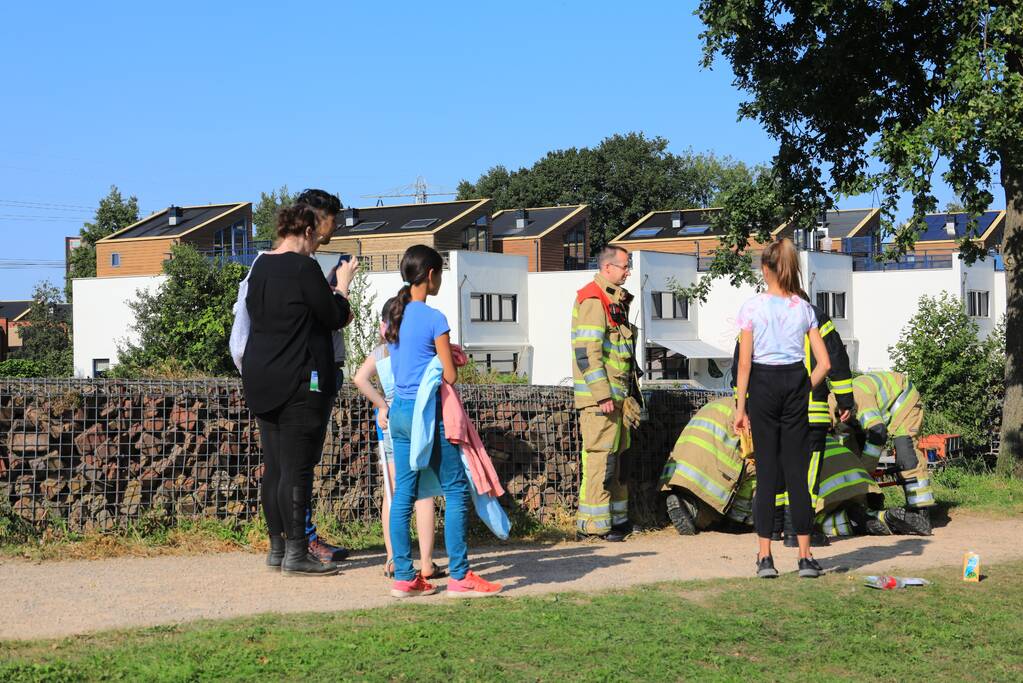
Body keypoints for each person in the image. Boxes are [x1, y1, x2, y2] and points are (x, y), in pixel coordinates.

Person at [242, 191, 357, 576]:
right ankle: (296, 553)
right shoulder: (303, 268)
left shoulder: (259, 267)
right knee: (297, 470)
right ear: (307, 230)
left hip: (261, 377)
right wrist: (342, 285)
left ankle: (278, 549)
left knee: (274, 468)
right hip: (299, 381)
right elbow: (335, 315)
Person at [384, 244, 501, 598]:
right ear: (430, 275)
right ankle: (460, 576)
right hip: (429, 412)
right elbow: (448, 376)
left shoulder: (393, 316)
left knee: (403, 492)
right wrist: (449, 356)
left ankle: (404, 577)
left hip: (399, 411)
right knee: (455, 490)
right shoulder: (435, 319)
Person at [660, 397, 930, 538]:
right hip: (845, 474)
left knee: (731, 506)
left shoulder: (723, 410)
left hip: (695, 467)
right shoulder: (807, 407)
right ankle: (875, 518)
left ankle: (693, 509)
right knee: (823, 516)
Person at [733, 237, 831, 579]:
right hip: (794, 383)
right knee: (796, 475)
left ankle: (765, 558)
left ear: (765, 269)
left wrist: (740, 407)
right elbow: (824, 363)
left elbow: (744, 364)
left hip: (761, 383)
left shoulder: (751, 307)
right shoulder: (803, 308)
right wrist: (804, 387)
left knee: (768, 473)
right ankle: (805, 558)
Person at [729, 296, 855, 546]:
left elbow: (739, 367)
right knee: (804, 473)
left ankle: (773, 527)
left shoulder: (757, 314)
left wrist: (743, 406)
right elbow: (835, 361)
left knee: (772, 468)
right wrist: (845, 401)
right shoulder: (814, 316)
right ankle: (795, 531)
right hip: (810, 411)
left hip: (767, 409)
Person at [351, 297, 443, 580]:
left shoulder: (381, 353)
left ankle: (393, 558)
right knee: (424, 493)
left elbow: (359, 378)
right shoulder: (417, 350)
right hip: (419, 421)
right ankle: (426, 562)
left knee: (393, 492)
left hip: (391, 423)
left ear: (383, 327)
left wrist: (381, 405)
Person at [570, 245, 642, 541]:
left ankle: (618, 520)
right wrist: (602, 395)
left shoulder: (613, 299)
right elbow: (587, 354)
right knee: (601, 459)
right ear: (607, 267)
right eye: (625, 266)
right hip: (602, 400)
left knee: (619, 460)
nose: (628, 271)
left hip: (618, 397)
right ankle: (593, 526)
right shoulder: (593, 297)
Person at [832, 370, 936, 531]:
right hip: (879, 410)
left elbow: (878, 434)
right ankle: (871, 504)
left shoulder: (856, 397)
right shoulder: (833, 408)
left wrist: (865, 469)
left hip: (903, 400)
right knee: (853, 458)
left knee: (906, 453)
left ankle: (920, 510)